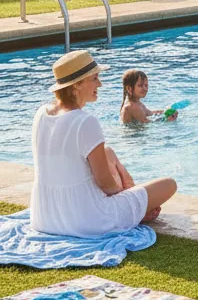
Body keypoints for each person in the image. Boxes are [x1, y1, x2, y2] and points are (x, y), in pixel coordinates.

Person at [30, 50, 176, 235]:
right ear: (76, 85)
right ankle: (137, 211)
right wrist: (130, 199)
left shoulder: (41, 113)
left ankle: (135, 206)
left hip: (44, 217)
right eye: (94, 78)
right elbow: (107, 185)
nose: (100, 84)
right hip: (86, 220)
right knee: (169, 184)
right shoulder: (85, 121)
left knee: (108, 151)